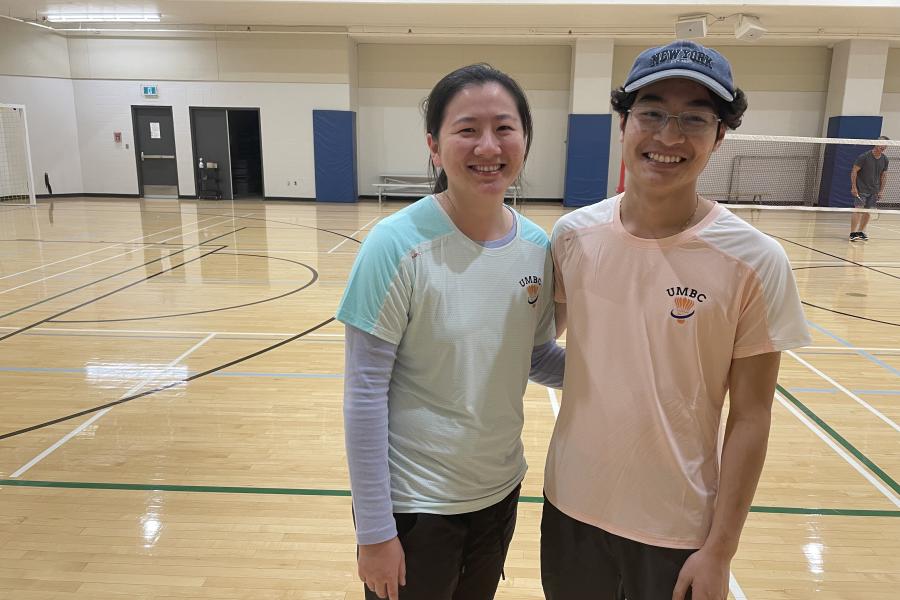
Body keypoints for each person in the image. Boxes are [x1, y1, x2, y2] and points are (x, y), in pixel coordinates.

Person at [541, 40, 811, 600]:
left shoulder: (755, 260)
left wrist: (720, 549)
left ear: (720, 135)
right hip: (568, 509)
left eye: (693, 118)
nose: (668, 136)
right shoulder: (573, 237)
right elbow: (535, 347)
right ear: (624, 123)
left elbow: (752, 417)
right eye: (653, 113)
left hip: (677, 530)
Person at [337, 63, 564, 600]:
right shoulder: (395, 245)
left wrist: (618, 370)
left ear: (525, 140)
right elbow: (364, 395)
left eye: (504, 127)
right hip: (415, 506)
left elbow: (531, 356)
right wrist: (374, 533)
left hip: (498, 492)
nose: (489, 145)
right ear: (435, 147)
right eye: (467, 130)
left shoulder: (538, 248)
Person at [849, 135, 890, 241]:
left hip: (874, 190)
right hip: (861, 189)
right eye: (881, 143)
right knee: (858, 209)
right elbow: (854, 171)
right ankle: (853, 233)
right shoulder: (864, 156)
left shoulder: (885, 159)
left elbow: (883, 175)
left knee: (867, 211)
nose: (883, 146)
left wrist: (881, 190)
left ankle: (860, 232)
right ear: (876, 143)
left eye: (885, 145)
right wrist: (854, 187)